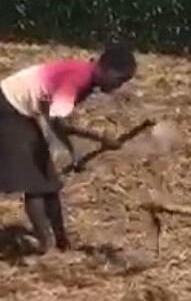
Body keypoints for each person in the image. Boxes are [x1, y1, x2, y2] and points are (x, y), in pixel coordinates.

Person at [0, 43, 137, 254]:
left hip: (23, 112)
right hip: (8, 109)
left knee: (49, 183)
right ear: (107, 69)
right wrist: (97, 140)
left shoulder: (86, 78)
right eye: (118, 81)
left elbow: (55, 118)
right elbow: (57, 121)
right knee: (35, 184)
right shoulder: (78, 79)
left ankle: (62, 242)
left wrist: (76, 151)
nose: (117, 88)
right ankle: (47, 247)